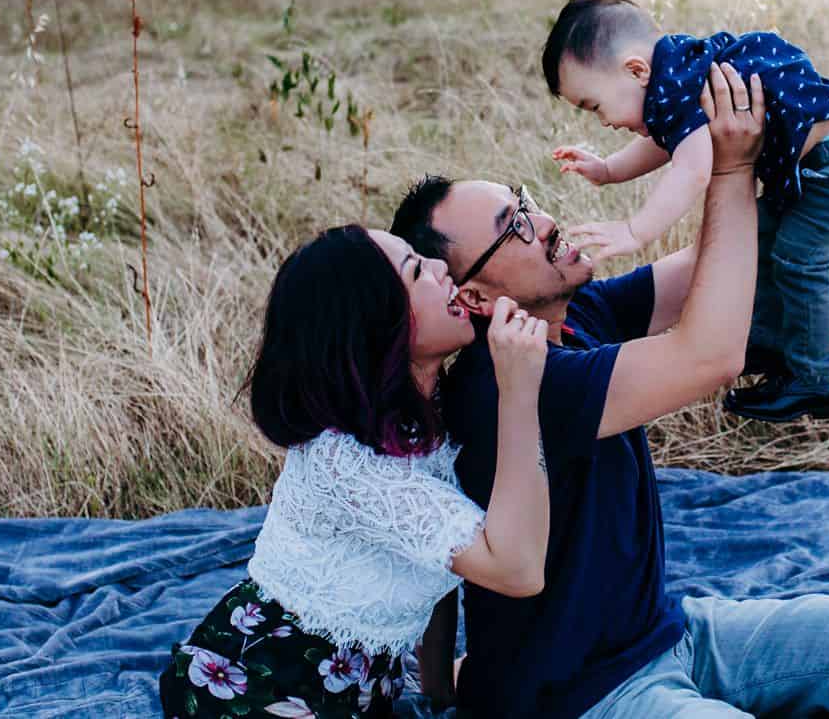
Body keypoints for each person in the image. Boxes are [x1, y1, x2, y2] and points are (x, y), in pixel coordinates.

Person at [392, 65, 829, 718]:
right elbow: (713, 355)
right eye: (515, 226)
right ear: (472, 296)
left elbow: (714, 267)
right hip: (586, 695)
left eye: (526, 201)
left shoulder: (575, 314)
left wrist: (792, 151)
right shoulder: (509, 384)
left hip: (670, 634)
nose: (546, 220)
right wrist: (728, 171)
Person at [158, 225, 550, 719]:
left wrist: (438, 688)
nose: (441, 269)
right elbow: (517, 569)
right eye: (417, 270)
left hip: (360, 695)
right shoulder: (346, 466)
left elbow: (438, 559)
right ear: (381, 328)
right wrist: (520, 392)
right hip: (256, 694)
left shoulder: (426, 418)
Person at [544, 0, 829, 422]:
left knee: (798, 261)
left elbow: (692, 168)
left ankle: (818, 381)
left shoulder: (679, 82)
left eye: (595, 106)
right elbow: (668, 141)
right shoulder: (676, 80)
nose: (603, 121)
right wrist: (609, 170)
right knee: (760, 242)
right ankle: (767, 343)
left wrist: (637, 230)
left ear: (636, 71)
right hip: (827, 162)